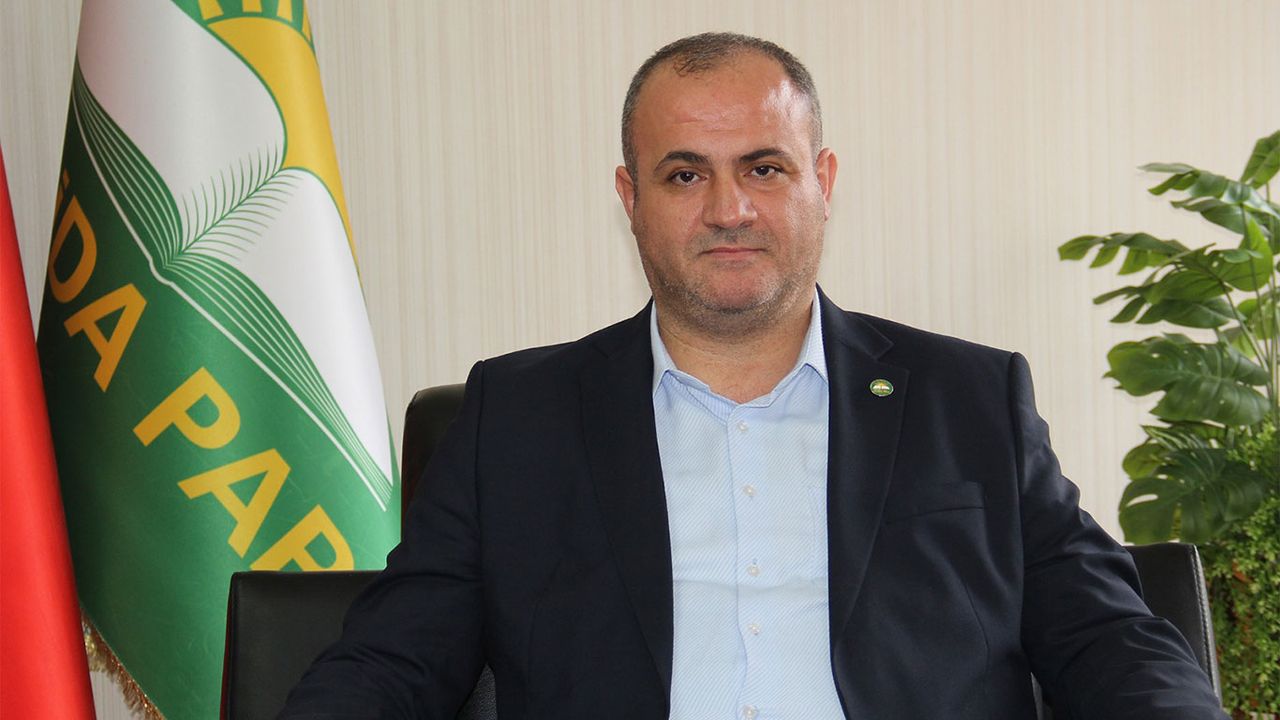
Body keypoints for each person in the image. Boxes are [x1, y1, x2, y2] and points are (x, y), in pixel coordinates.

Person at [281, 33, 1226, 719]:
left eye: (765, 168)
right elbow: (392, 662)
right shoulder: (516, 419)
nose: (729, 209)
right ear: (630, 197)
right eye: (685, 175)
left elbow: (1109, 638)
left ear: (823, 182)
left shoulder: (969, 401)